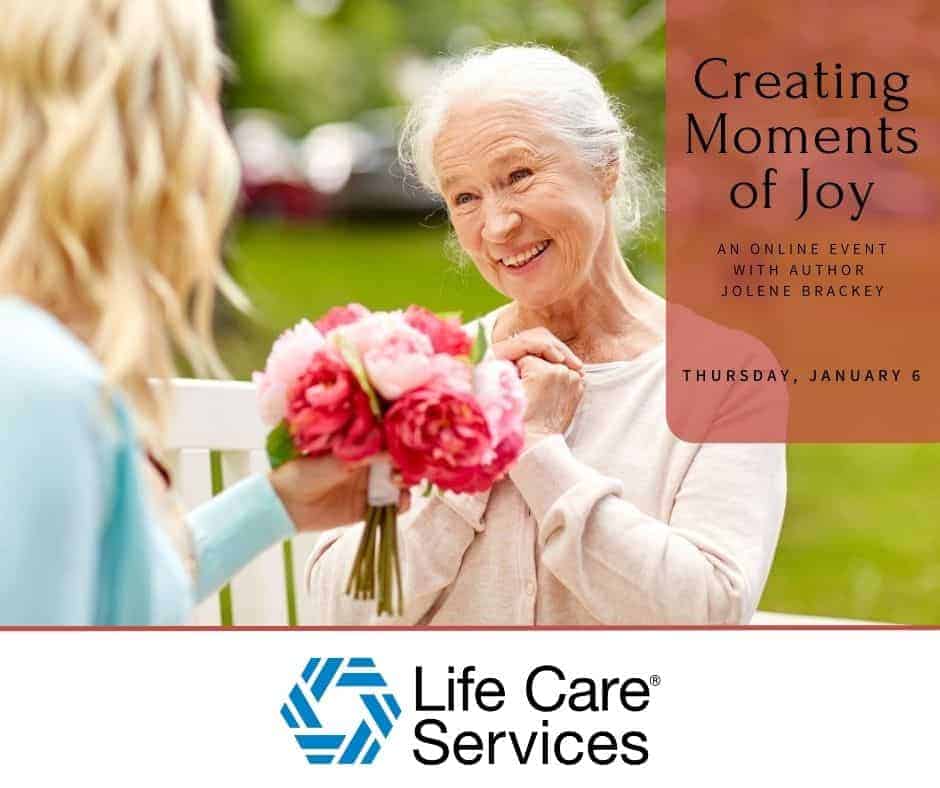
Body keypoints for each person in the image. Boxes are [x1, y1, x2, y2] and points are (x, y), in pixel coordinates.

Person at [305, 45, 787, 625]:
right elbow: (339, 611)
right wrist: (475, 457)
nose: (498, 225)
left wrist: (535, 449)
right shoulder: (420, 370)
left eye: (520, 175)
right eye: (465, 198)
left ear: (605, 165)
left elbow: (705, 611)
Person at [0, 0, 384, 625]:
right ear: (144, 133)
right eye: (206, 89)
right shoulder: (44, 392)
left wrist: (277, 504)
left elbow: (113, 597)